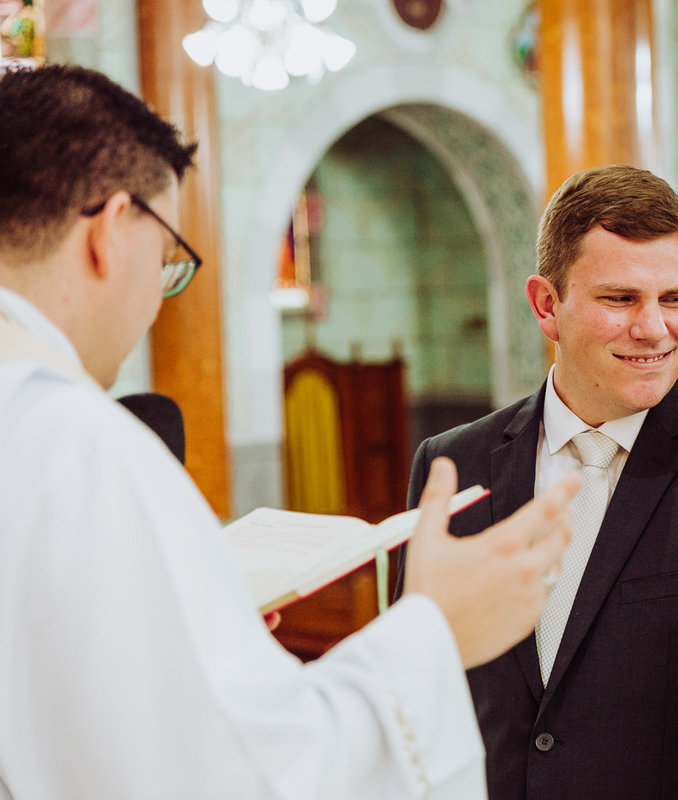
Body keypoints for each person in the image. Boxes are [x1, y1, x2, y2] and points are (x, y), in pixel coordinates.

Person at [0, 63, 579, 799]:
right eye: (167, 258)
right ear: (112, 232)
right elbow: (247, 777)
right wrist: (436, 629)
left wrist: (204, 621)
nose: (157, 298)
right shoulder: (77, 444)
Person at [398, 164, 678, 798]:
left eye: (675, 298)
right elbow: (421, 691)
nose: (655, 328)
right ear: (547, 305)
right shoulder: (452, 466)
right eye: (621, 299)